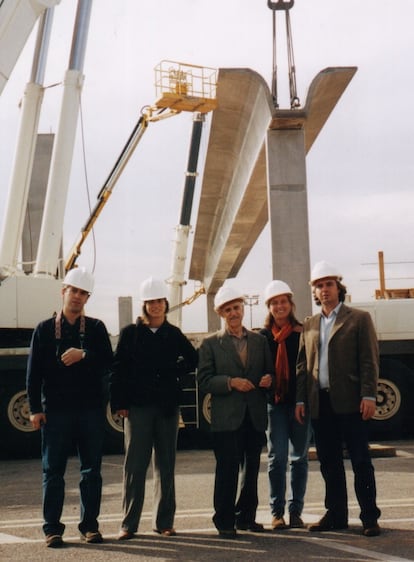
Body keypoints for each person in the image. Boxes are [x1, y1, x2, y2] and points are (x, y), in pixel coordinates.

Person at [26, 267, 113, 548]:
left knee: (91, 471)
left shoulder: (97, 329)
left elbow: (108, 362)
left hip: (89, 411)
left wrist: (83, 354)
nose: (77, 296)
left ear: (87, 298)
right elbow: (33, 373)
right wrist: (35, 409)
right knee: (53, 471)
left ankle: (90, 526)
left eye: (83, 293)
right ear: (63, 291)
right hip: (57, 412)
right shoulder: (44, 329)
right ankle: (52, 528)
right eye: (73, 290)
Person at [295, 261, 381, 537]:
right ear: (315, 292)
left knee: (360, 461)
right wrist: (300, 400)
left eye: (328, 284)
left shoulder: (358, 319)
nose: (324, 290)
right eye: (319, 286)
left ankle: (369, 517)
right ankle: (337, 515)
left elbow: (369, 360)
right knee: (330, 463)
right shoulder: (309, 324)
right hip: (320, 403)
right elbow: (302, 367)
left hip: (351, 403)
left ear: (338, 287)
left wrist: (369, 394)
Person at [110, 276, 198, 540]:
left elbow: (193, 358)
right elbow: (118, 370)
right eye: (150, 302)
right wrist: (120, 403)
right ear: (144, 305)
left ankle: (164, 522)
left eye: (159, 301)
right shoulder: (130, 334)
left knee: (166, 465)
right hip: (138, 408)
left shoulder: (173, 334)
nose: (156, 306)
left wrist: (176, 375)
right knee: (135, 465)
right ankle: (129, 524)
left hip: (167, 408)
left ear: (165, 303)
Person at [197, 286, 274, 537]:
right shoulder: (210, 344)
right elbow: (204, 380)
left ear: (243, 308)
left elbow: (270, 373)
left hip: (254, 416)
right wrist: (230, 382)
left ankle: (246, 517)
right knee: (227, 469)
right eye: (227, 309)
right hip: (227, 419)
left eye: (236, 307)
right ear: (220, 313)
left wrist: (267, 379)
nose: (233, 313)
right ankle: (225, 520)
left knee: (251, 469)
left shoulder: (260, 341)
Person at [260, 280, 312, 531]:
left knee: (299, 458)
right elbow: (255, 369)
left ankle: (296, 511)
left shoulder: (303, 333)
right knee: (277, 459)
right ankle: (277, 512)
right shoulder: (261, 338)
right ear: (269, 307)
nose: (279, 306)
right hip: (275, 405)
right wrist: (263, 379)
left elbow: (308, 370)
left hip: (299, 405)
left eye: (283, 302)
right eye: (274, 303)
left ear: (290, 305)